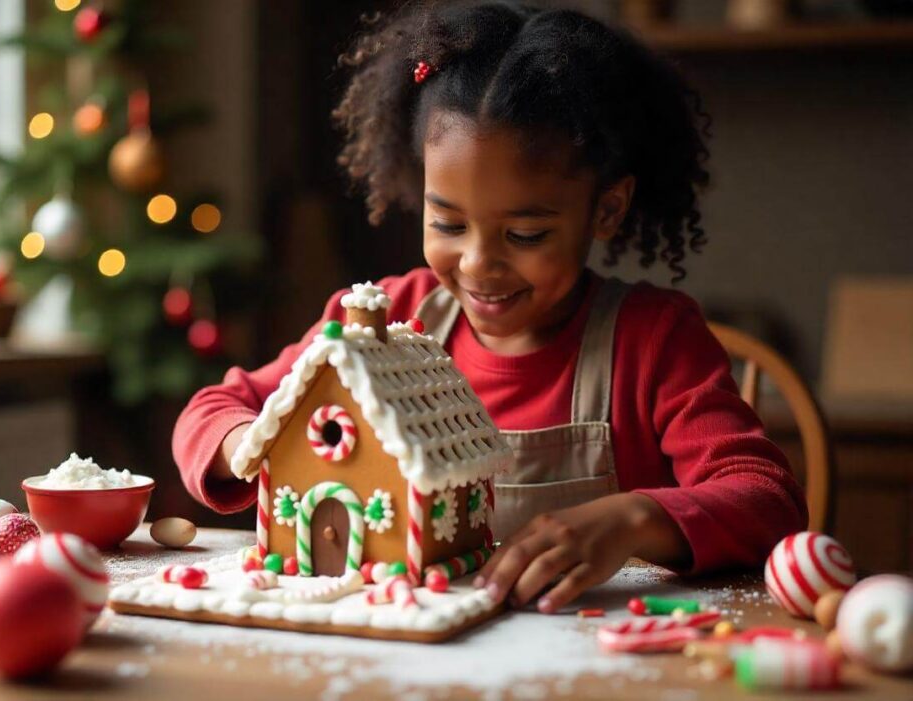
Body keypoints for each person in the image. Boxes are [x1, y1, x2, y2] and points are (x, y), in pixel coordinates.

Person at [173, 1, 807, 614]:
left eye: (525, 235)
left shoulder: (653, 340)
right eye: (447, 222)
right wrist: (259, 443)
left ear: (606, 210)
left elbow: (766, 497)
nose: (477, 263)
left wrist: (636, 518)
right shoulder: (381, 321)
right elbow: (212, 409)